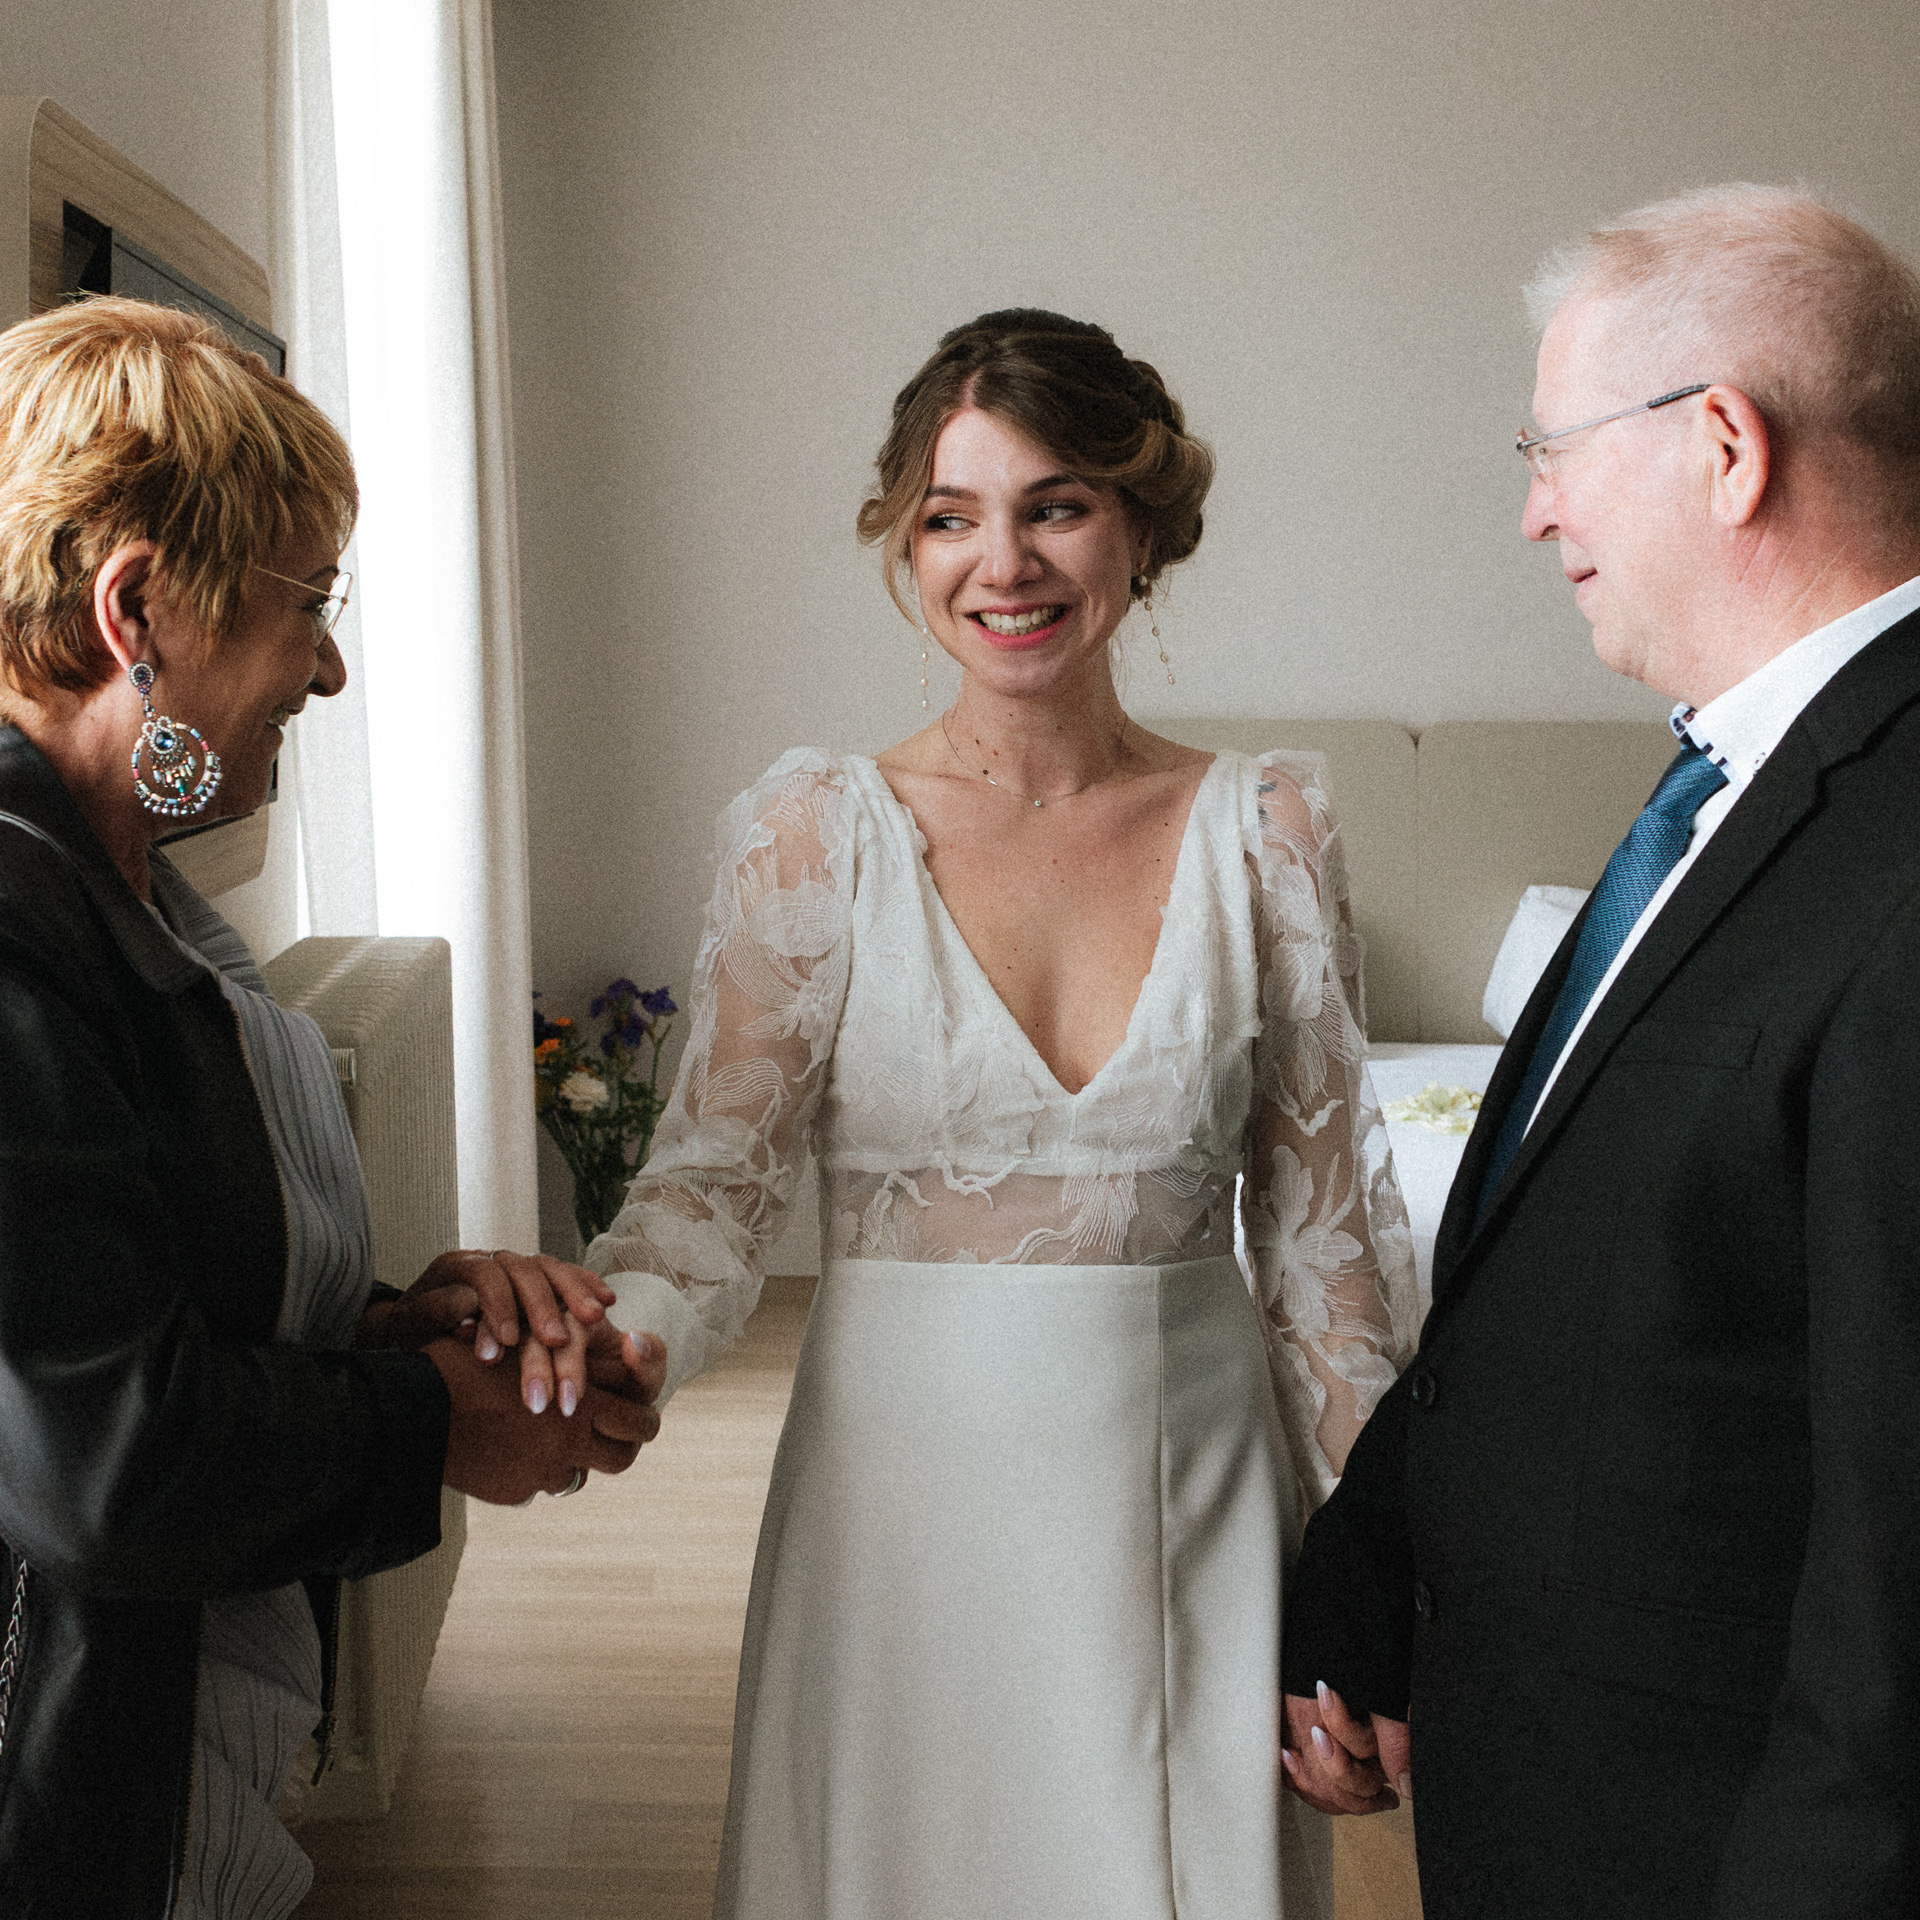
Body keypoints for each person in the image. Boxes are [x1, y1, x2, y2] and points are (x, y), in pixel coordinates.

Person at [583, 309, 1418, 1919]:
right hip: (892, 1531)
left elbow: (1328, 1264)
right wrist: (601, 1348)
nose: (1004, 562)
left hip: (1188, 1520)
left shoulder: (1271, 833)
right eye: (952, 517)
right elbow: (707, 1197)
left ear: (1140, 529)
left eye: (1056, 506)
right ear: (906, 545)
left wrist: (1374, 1594)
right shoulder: (814, 834)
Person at [1279, 185, 1920, 1918]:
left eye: (1550, 446)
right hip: (1544, 1781)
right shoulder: (1743, 778)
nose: (1533, 510)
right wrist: (1379, 1561)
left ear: (1724, 446)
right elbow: (1586, 1262)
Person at [0, 296, 667, 1918]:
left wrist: (401, 1328)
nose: (332, 664)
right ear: (138, 606)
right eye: (309, 603)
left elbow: (142, 1299)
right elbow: (101, 1457)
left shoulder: (125, 890)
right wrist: (447, 1414)